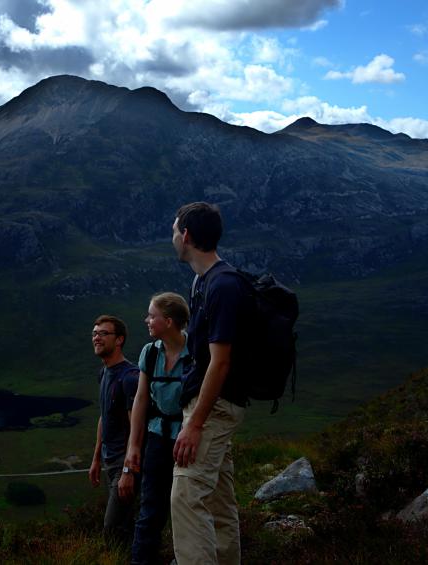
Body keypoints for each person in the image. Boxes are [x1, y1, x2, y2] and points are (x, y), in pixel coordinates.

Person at [170, 202, 253, 564]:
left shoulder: (222, 285)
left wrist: (195, 425)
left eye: (175, 230)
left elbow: (220, 363)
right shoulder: (203, 281)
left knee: (186, 497)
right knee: (218, 502)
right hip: (211, 406)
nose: (172, 237)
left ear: (186, 236)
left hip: (213, 410)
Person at [118, 292, 191, 565]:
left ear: (169, 321)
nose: (146, 320)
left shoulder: (197, 353)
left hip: (188, 440)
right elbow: (141, 399)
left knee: (186, 507)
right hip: (157, 438)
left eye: (151, 315)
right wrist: (134, 447)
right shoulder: (150, 353)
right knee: (150, 510)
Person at [88, 314, 140, 545]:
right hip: (110, 461)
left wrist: (128, 471)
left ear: (119, 340)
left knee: (112, 531)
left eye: (103, 333)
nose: (97, 338)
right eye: (94, 334)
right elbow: (105, 416)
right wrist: (96, 458)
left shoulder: (129, 377)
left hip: (124, 464)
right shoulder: (104, 373)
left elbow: (136, 428)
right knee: (124, 528)